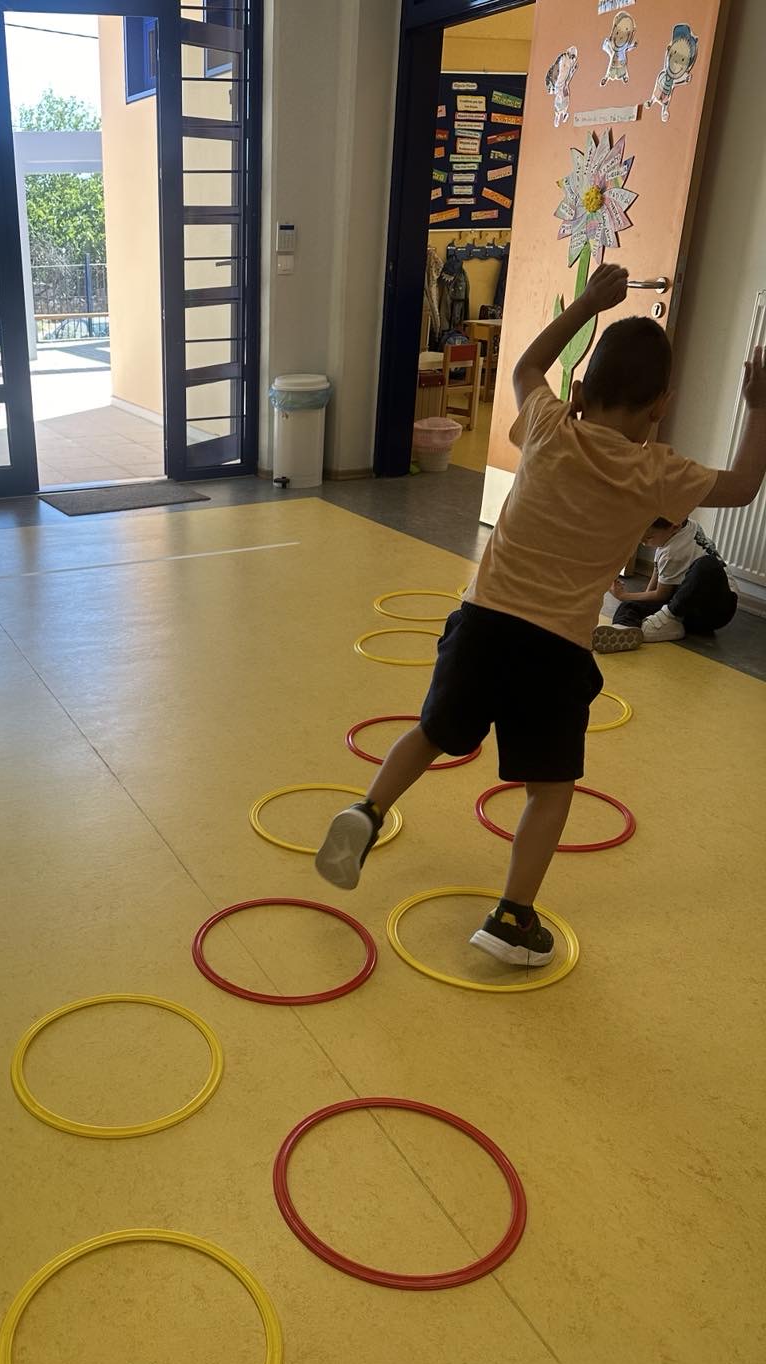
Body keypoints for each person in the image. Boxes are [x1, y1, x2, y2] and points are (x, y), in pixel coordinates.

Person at [316, 268, 766, 965]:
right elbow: (742, 485)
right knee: (550, 788)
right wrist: (758, 407)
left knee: (431, 732)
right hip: (554, 653)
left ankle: (367, 809)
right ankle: (511, 919)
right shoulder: (657, 471)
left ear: (580, 393)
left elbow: (526, 366)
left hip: (482, 624)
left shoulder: (552, 427)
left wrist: (587, 303)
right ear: (661, 407)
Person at [592, 516, 738, 652]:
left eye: (648, 537)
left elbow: (661, 594)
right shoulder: (684, 528)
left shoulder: (672, 553)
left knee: (707, 564)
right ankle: (623, 628)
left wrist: (623, 595)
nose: (643, 542)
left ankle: (671, 619)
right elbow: (658, 572)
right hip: (685, 603)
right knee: (630, 605)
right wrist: (639, 603)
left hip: (715, 610)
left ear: (674, 527)